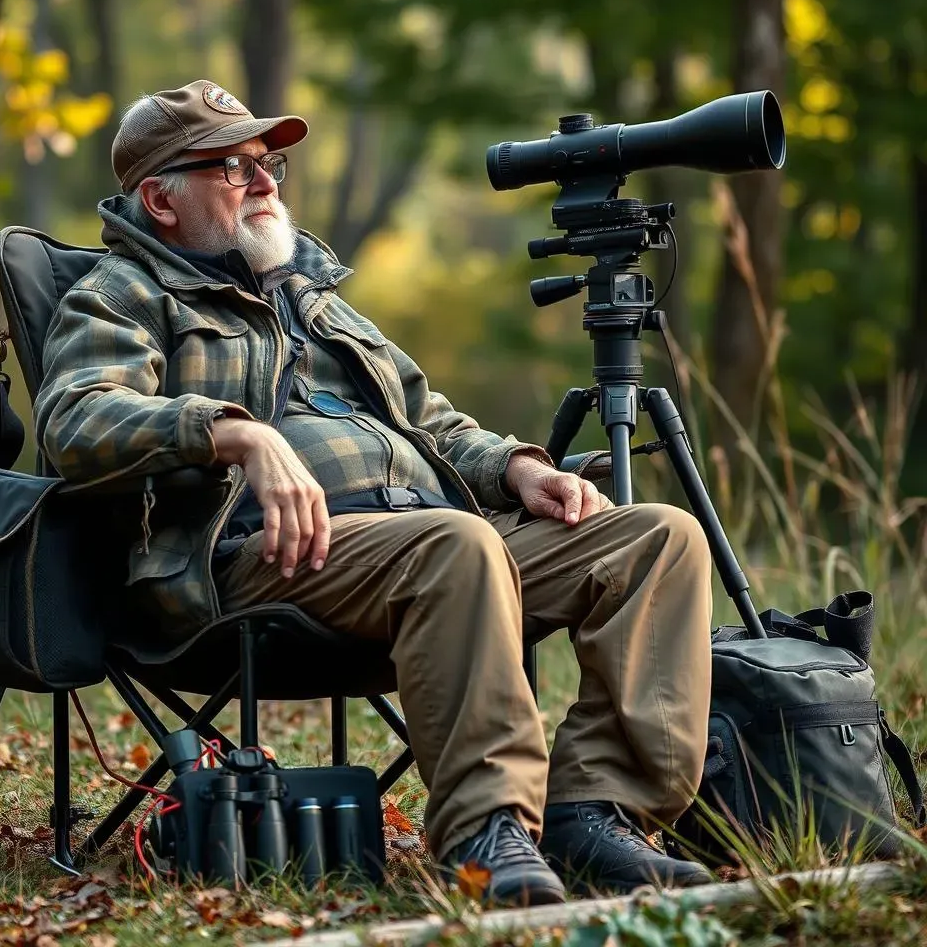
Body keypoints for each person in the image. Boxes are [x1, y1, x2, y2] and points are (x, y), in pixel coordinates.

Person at [35, 80, 715, 905]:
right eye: (236, 167)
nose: (267, 183)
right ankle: (486, 833)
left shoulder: (310, 295)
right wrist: (236, 431)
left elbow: (432, 418)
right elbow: (76, 421)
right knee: (452, 545)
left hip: (421, 543)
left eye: (270, 163)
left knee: (657, 538)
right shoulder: (123, 294)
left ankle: (595, 815)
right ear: (160, 198)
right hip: (258, 562)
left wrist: (519, 470)